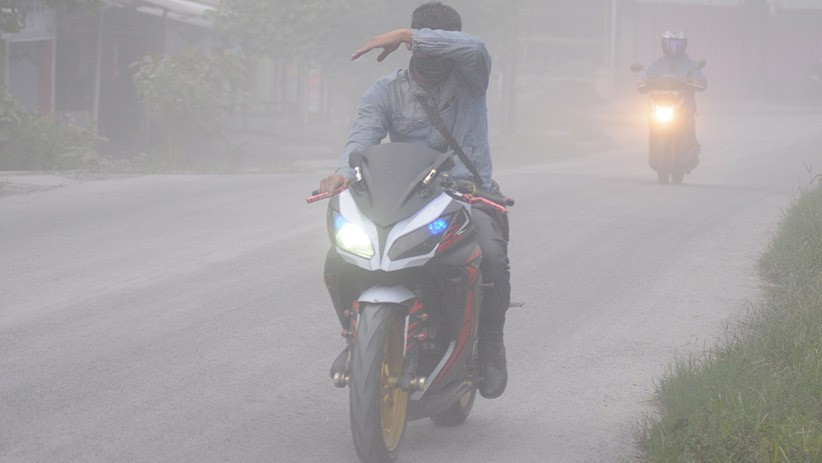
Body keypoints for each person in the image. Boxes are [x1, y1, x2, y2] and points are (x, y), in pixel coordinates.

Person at [318, 1, 511, 399]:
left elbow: (475, 48)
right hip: (406, 196)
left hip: (464, 195)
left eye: (446, 49)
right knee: (340, 254)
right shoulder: (385, 91)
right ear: (414, 52)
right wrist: (340, 171)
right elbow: (362, 139)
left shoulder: (471, 78)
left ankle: (490, 348)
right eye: (428, 49)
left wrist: (408, 35)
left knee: (491, 255)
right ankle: (358, 339)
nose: (439, 58)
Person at [636, 30, 707, 169]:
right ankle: (655, 152)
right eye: (670, 44)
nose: (674, 48)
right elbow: (646, 76)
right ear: (664, 45)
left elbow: (701, 79)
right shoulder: (657, 64)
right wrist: (643, 82)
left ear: (684, 46)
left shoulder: (690, 64)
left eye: (677, 44)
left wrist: (696, 81)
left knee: (687, 120)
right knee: (651, 121)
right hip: (660, 101)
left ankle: (689, 149)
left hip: (684, 103)